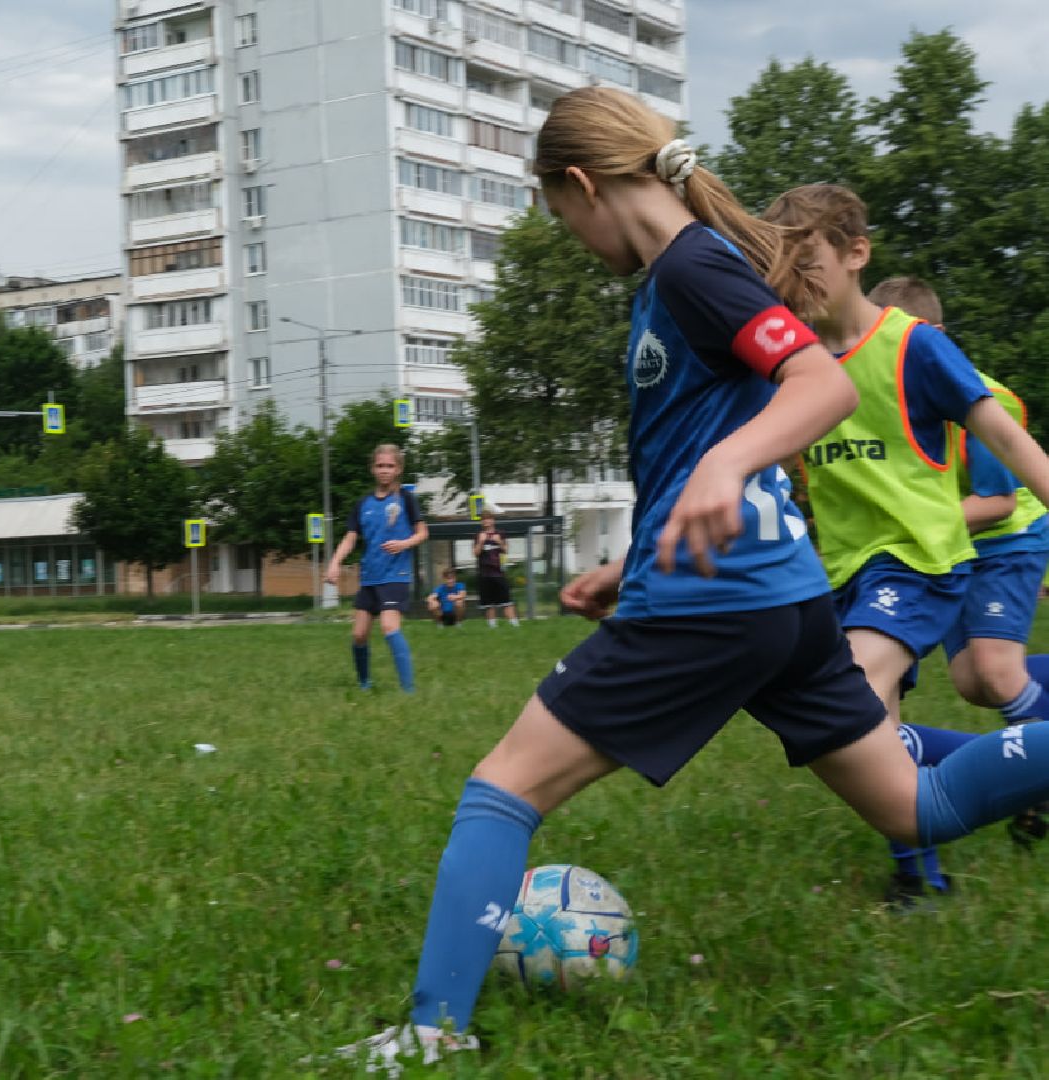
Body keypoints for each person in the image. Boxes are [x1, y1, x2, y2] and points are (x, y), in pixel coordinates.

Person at [330, 87, 1049, 1074]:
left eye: (559, 216)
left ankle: (428, 1035)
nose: (573, 237)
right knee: (912, 807)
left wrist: (723, 469)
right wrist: (631, 559)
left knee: (500, 790)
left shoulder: (691, 267)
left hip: (716, 605)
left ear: (581, 185)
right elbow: (696, 446)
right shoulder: (679, 277)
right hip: (781, 602)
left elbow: (820, 386)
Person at [761, 188, 1049, 903]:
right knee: (867, 736)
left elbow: (1007, 440)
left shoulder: (914, 346)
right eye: (781, 268)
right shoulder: (794, 366)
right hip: (844, 574)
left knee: (857, 692)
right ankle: (922, 879)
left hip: (917, 565)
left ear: (856, 254)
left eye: (808, 261)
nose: (795, 281)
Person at [865, 276, 1049, 885]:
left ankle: (1033, 785)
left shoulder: (973, 396)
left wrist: (906, 525)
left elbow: (999, 502)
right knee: (973, 682)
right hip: (947, 547)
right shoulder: (874, 397)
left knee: (994, 673)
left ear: (933, 338)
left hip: (1008, 538)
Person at [324, 445, 428, 693]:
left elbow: (423, 533)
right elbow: (350, 538)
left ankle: (409, 691)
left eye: (390, 466)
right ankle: (364, 684)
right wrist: (335, 562)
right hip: (370, 577)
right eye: (380, 465)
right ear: (372, 469)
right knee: (359, 635)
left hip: (395, 576)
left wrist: (404, 543)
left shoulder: (406, 499)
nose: (384, 470)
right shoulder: (363, 504)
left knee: (389, 627)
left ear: (398, 469)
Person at [473, 515, 520, 628]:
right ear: (482, 522)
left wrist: (499, 542)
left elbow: (506, 550)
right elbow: (475, 553)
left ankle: (514, 625)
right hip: (484, 574)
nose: (486, 521)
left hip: (499, 574)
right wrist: (481, 542)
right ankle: (492, 627)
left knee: (507, 601)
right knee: (488, 604)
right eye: (484, 519)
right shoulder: (478, 535)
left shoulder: (500, 534)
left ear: (493, 521)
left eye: (488, 519)